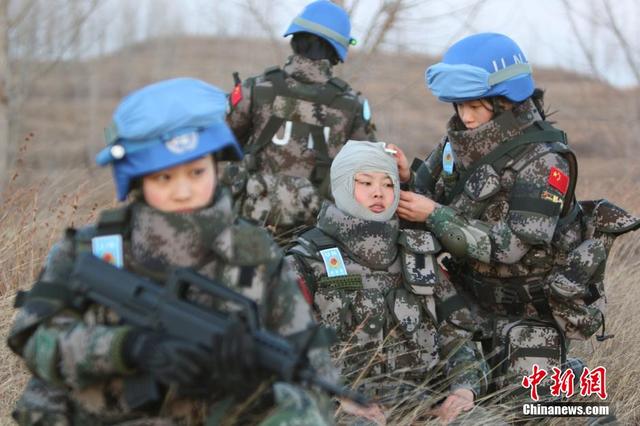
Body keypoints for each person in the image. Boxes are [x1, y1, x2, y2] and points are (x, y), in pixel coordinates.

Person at [7, 78, 336, 425]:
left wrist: (255, 387)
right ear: (137, 179)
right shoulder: (88, 250)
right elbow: (32, 338)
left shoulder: (257, 254)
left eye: (196, 172)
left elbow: (313, 368)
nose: (183, 191)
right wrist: (128, 347)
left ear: (216, 166)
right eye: (164, 178)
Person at [395, 32, 640, 417]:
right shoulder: (456, 144)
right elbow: (427, 191)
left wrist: (434, 214)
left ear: (506, 100)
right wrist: (405, 180)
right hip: (465, 303)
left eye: (475, 105)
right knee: (428, 392)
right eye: (459, 106)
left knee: (524, 410)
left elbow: (510, 248)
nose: (466, 117)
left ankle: (574, 387)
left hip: (527, 314)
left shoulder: (545, 161)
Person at [286, 140, 482, 425]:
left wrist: (464, 389)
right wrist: (337, 397)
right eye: (365, 182)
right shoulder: (306, 260)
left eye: (389, 184)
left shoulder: (418, 253)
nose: (378, 192)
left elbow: (456, 333)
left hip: (423, 406)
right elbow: (280, 346)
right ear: (341, 185)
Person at [225, 0, 376, 236]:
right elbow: (369, 171)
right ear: (337, 52)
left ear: (295, 39)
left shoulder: (255, 88)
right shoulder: (352, 105)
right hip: (316, 236)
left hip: (248, 224)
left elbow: (224, 144)